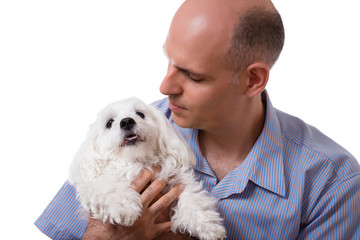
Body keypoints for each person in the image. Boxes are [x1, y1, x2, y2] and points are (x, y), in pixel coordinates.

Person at [35, 0, 360, 239]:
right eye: (170, 61)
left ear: (253, 80)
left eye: (192, 75)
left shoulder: (332, 182)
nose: (165, 87)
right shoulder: (126, 139)